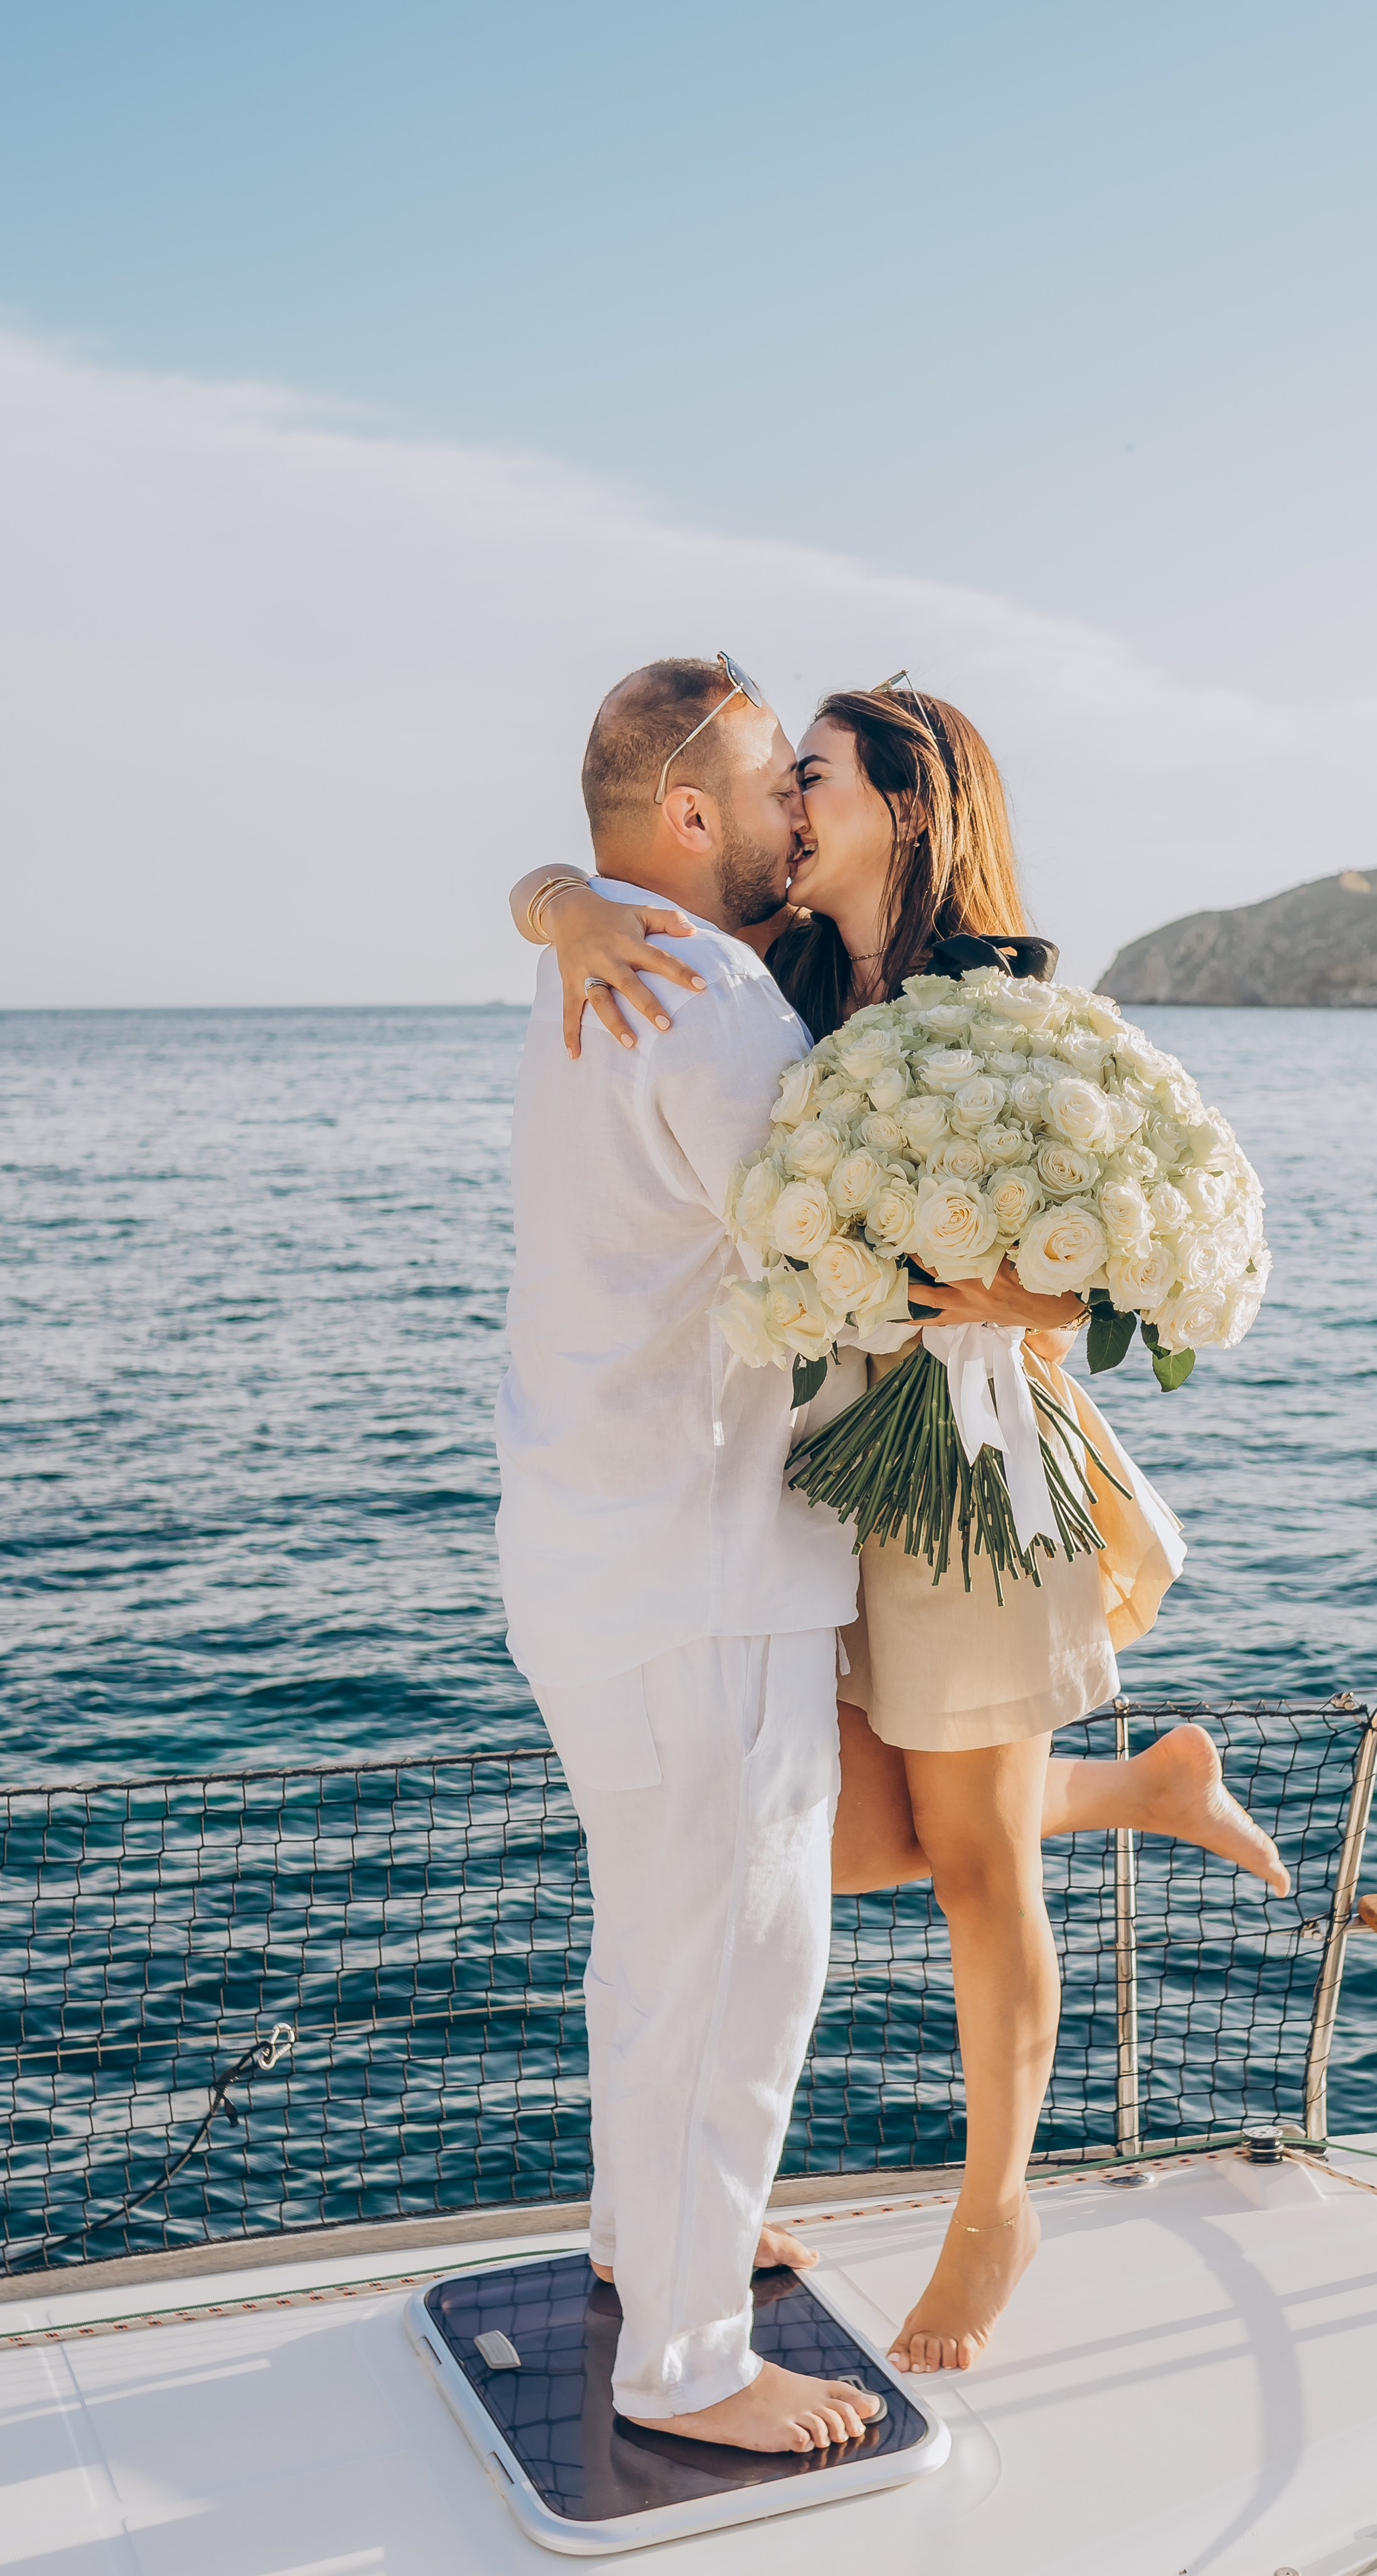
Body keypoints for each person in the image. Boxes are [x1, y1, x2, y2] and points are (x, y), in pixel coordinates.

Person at [511, 667, 1289, 2377]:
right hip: (820, 1470)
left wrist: (1009, 1286)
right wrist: (560, 900)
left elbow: (1083, 1267)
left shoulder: (1000, 1003)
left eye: (818, 777)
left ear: (907, 808)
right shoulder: (778, 970)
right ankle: (1146, 1789)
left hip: (969, 1469)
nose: (790, 805)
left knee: (974, 1866)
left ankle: (994, 2208)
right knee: (840, 1838)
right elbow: (626, 886)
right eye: (783, 778)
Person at [497, 655, 886, 2455]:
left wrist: (551, 897)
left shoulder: (587, 970)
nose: (794, 809)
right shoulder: (708, 996)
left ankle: (646, 2242)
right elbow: (828, 1267)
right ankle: (690, 2361)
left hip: (589, 1558)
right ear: (686, 815)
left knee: (652, 1947)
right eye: (771, 780)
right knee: (736, 1959)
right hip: (701, 1574)